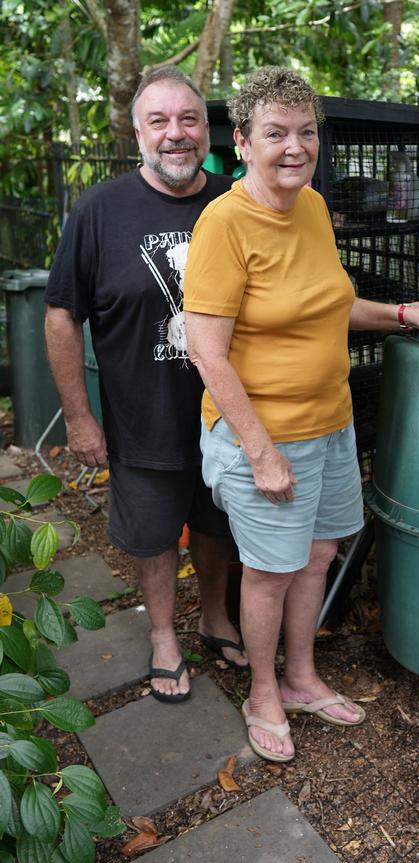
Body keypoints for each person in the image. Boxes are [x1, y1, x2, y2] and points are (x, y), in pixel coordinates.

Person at [184, 66, 419, 760]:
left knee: (317, 555)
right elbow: (207, 352)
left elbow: (330, 303)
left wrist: (405, 311)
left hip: (331, 422)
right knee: (269, 570)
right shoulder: (225, 224)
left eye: (307, 132)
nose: (295, 147)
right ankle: (262, 690)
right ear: (244, 141)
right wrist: (260, 451)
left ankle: (301, 676)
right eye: (277, 133)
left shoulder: (312, 208)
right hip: (263, 436)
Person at [44, 65, 248, 704]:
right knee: (154, 533)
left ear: (206, 130)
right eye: (158, 121)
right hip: (142, 416)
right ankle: (164, 635)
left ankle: (215, 617)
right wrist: (79, 417)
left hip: (228, 414)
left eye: (188, 119)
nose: (175, 134)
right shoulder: (99, 210)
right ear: (138, 133)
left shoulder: (237, 201)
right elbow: (60, 315)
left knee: (217, 525)